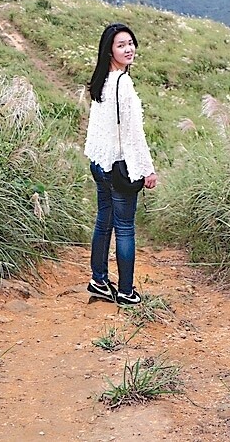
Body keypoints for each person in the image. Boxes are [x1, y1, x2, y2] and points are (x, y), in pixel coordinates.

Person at [83, 22, 158, 306]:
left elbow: (97, 127)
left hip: (100, 163)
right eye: (121, 45)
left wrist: (96, 156)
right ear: (109, 51)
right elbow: (132, 134)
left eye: (130, 43)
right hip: (118, 167)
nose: (128, 49)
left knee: (104, 222)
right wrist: (146, 169)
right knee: (125, 228)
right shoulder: (123, 84)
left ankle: (99, 281)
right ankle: (126, 292)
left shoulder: (102, 79)